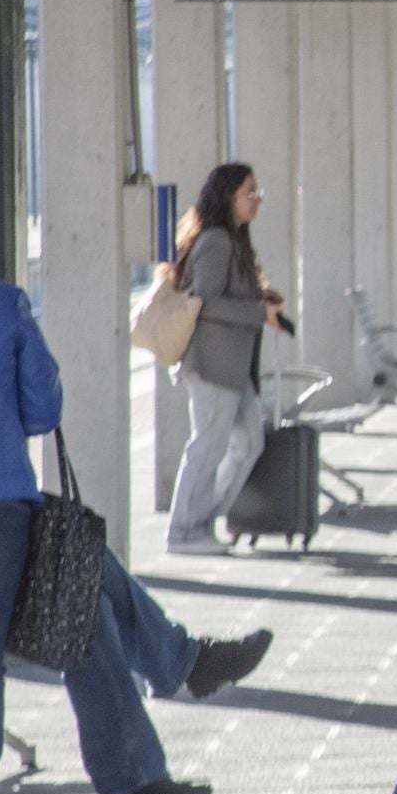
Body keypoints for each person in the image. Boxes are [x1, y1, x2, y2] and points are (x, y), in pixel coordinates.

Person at [0, 174, 272, 794]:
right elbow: (43, 411)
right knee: (47, 610)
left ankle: (135, 768)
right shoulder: (1, 307)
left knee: (81, 589)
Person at [165, 162, 292, 555]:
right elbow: (203, 302)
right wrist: (258, 313)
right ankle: (184, 531)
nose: (257, 199)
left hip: (233, 367)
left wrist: (260, 301)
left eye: (258, 191)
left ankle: (200, 520)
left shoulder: (232, 240)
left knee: (248, 442)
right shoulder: (216, 242)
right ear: (227, 197)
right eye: (248, 192)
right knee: (207, 447)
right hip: (212, 364)